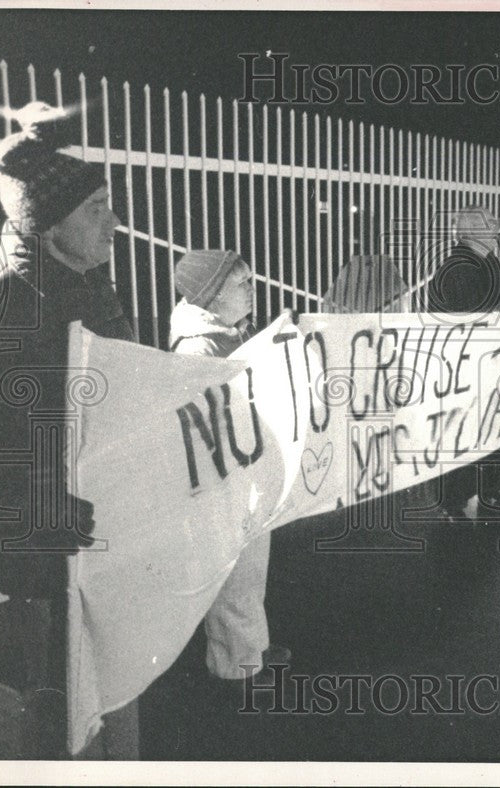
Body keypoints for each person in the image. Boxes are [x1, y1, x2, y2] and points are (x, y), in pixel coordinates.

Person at [0, 102, 139, 758]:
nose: (116, 223)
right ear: (47, 224)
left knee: (108, 718)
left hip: (95, 555)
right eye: (98, 207)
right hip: (45, 576)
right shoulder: (3, 309)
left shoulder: (83, 285)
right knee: (63, 732)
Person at [168, 249, 292, 684]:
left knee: (250, 569)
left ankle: (250, 648)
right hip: (226, 479)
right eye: (243, 284)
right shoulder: (201, 346)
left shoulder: (229, 334)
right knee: (234, 576)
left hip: (244, 470)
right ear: (214, 296)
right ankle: (236, 668)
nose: (252, 290)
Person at [427, 204, 500, 524]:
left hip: (491, 360)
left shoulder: (489, 262)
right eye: (491, 222)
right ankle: (452, 500)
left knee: (496, 424)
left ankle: (492, 487)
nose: (497, 227)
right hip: (464, 366)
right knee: (463, 431)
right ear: (473, 231)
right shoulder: (458, 266)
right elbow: (468, 315)